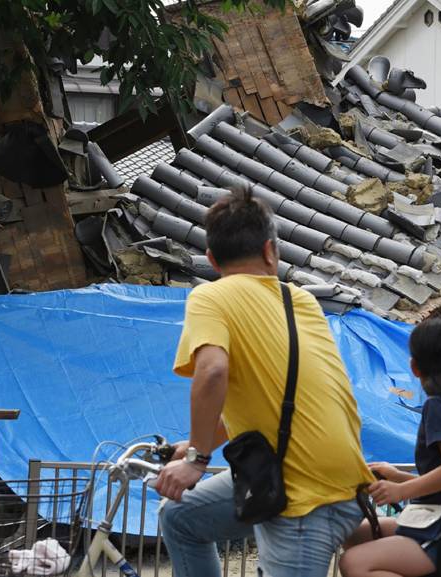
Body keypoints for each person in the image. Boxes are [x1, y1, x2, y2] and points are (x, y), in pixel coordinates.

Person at [154, 187, 374, 577]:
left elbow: (213, 371)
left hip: (305, 493)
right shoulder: (301, 300)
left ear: (211, 259)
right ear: (271, 251)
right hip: (324, 470)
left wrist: (197, 459)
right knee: (180, 518)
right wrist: (198, 442)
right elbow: (279, 398)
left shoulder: (210, 297)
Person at [339, 318, 441, 577]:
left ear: (414, 367)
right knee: (355, 534)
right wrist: (398, 475)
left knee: (353, 563)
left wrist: (401, 490)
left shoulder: (440, 406)